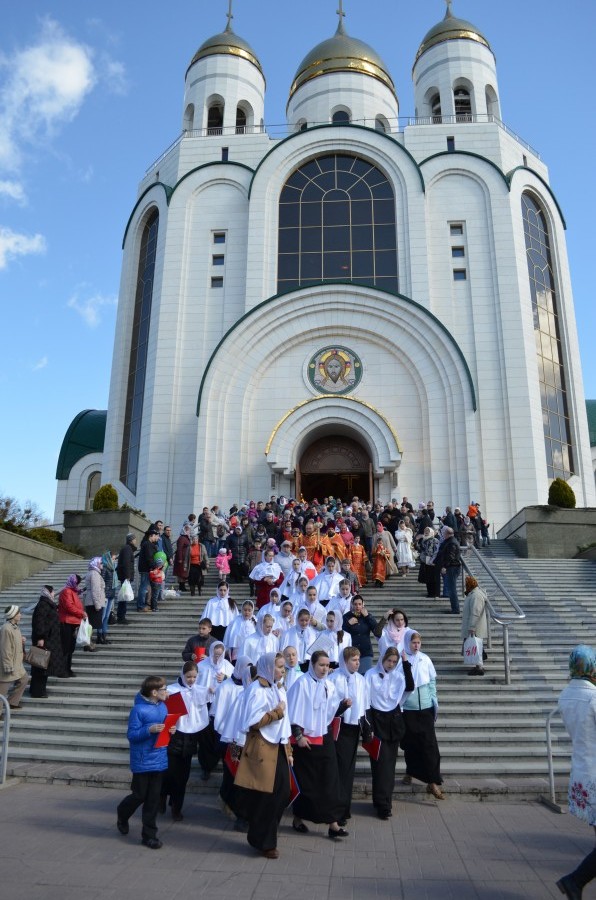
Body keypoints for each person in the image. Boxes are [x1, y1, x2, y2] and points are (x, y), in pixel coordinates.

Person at [234, 652, 292, 859]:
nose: (282, 671)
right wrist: (277, 712)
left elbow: (284, 723)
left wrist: (288, 748)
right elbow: (252, 721)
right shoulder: (257, 690)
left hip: (278, 746)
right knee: (268, 795)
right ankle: (264, 842)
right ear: (268, 667)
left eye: (284, 667)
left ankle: (261, 836)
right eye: (279, 667)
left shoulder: (277, 688)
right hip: (262, 746)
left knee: (283, 792)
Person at [287, 649, 349, 839]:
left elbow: (329, 712)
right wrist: (298, 736)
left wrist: (343, 706)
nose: (324, 669)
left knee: (329, 779)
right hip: (305, 741)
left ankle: (333, 824)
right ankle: (298, 818)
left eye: (327, 665)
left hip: (324, 737)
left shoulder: (329, 685)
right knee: (307, 782)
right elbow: (293, 710)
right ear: (312, 665)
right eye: (321, 665)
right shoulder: (301, 684)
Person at [556, 645, 596, 899]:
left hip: (582, 771)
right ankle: (574, 881)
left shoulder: (566, 695)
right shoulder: (593, 697)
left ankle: (575, 882)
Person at [116, 675, 175, 849]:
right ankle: (122, 812)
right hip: (142, 760)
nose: (167, 691)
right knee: (139, 795)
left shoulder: (163, 707)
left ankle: (149, 836)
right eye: (164, 689)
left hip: (159, 758)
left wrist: (171, 729)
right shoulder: (138, 710)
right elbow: (132, 735)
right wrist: (148, 729)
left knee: (153, 799)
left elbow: (165, 730)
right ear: (154, 692)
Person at [365, 647, 414, 819]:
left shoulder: (398, 676)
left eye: (394, 662)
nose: (391, 664)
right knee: (379, 766)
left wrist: (406, 663)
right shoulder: (370, 675)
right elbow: (366, 701)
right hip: (377, 723)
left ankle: (385, 803)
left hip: (393, 725)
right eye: (389, 661)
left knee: (389, 767)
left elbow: (410, 685)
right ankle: (380, 802)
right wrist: (368, 727)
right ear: (382, 659)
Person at [161, 662, 209, 820]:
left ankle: (176, 807)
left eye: (194, 677)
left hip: (190, 736)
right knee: (169, 774)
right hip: (174, 735)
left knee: (183, 777)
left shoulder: (199, 689)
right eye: (188, 676)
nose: (191, 680)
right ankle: (162, 799)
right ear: (182, 674)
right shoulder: (172, 690)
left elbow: (214, 692)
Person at [329, 647, 370, 825]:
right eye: (354, 660)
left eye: (359, 660)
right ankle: (335, 810)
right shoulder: (334, 678)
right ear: (345, 662)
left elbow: (365, 704)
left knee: (348, 771)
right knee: (338, 770)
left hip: (353, 728)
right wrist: (342, 706)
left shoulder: (360, 680)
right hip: (339, 728)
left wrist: (366, 728)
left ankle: (344, 809)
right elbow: (329, 706)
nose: (357, 663)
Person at [401, 630, 443, 799]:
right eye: (413, 643)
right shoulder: (401, 660)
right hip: (408, 709)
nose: (416, 646)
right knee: (410, 744)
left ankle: (433, 782)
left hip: (425, 707)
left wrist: (434, 701)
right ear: (407, 643)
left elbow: (432, 681)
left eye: (418, 642)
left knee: (430, 745)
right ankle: (410, 771)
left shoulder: (425, 659)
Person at [29, 585, 67, 698]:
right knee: (41, 666)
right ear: (49, 592)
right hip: (45, 640)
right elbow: (39, 622)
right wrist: (40, 637)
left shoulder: (48, 604)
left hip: (50, 640)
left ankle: (37, 690)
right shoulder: (43, 604)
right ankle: (38, 692)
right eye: (53, 591)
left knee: (43, 666)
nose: (54, 593)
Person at [0, 605, 28, 710]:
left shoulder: (15, 627)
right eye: (18, 613)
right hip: (8, 664)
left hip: (17, 664)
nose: (20, 615)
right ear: (13, 615)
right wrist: (7, 666)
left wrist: (21, 640)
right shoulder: (6, 628)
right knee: (2, 691)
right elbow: (5, 649)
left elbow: (13, 644)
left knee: (24, 679)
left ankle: (12, 702)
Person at [57, 574, 86, 676]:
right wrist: (81, 613)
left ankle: (67, 669)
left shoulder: (73, 592)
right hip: (66, 622)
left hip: (73, 622)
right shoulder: (66, 592)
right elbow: (69, 606)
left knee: (70, 648)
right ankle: (62, 670)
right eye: (77, 582)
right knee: (66, 647)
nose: (78, 584)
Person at [342, 594, 377, 673]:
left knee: (365, 675)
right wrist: (348, 624)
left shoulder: (367, 616)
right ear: (352, 605)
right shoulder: (346, 617)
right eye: (355, 604)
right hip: (351, 652)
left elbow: (376, 630)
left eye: (359, 604)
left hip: (365, 652)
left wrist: (367, 617)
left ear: (363, 605)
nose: (357, 606)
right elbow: (341, 633)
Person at [461, 576, 489, 675]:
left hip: (475, 627)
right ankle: (479, 666)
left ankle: (479, 668)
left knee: (477, 647)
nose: (465, 586)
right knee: (477, 647)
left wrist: (472, 627)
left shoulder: (476, 595)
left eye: (466, 584)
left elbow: (475, 612)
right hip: (475, 626)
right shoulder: (474, 594)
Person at [436, 527, 462, 613]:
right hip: (452, 567)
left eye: (444, 533)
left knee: (452, 589)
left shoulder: (451, 543)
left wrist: (445, 567)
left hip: (452, 568)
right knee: (451, 589)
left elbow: (450, 557)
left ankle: (455, 609)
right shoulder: (450, 541)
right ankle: (454, 608)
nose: (443, 535)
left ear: (447, 534)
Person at [85, 557, 107, 642]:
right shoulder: (95, 574)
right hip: (94, 603)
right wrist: (97, 604)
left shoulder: (93, 573)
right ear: (96, 563)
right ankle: (87, 643)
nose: (102, 564)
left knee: (91, 625)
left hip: (92, 602)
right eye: (101, 563)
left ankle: (88, 642)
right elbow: (95, 589)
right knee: (91, 625)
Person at [137, 527, 160, 611]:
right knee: (143, 588)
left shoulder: (149, 544)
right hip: (145, 569)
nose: (156, 538)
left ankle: (143, 605)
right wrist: (154, 566)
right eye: (156, 536)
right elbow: (149, 558)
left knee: (145, 587)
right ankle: (140, 606)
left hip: (147, 569)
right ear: (151, 535)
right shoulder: (147, 544)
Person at [116, 533, 136, 625]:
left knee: (124, 596)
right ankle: (121, 617)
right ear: (131, 540)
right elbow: (126, 563)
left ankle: (121, 616)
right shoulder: (127, 549)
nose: (136, 541)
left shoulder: (127, 549)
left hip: (125, 577)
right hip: (125, 578)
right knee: (124, 597)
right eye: (134, 539)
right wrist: (127, 576)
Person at [100, 551, 119, 640]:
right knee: (103, 616)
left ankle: (104, 634)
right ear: (108, 558)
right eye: (113, 559)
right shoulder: (105, 568)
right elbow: (102, 582)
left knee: (107, 616)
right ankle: (100, 635)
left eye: (115, 559)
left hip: (111, 595)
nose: (114, 561)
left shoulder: (113, 569)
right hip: (105, 595)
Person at [173, 524, 191, 592]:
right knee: (181, 573)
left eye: (188, 529)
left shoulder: (186, 538)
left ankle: (182, 586)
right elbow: (179, 548)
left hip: (185, 558)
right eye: (187, 529)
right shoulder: (182, 538)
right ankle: (181, 587)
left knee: (184, 573)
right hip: (182, 559)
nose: (188, 531)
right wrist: (180, 558)